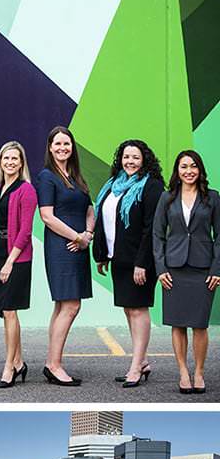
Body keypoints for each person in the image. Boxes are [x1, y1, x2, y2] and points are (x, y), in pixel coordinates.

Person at [93, 140, 165, 387]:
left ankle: (136, 366)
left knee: (138, 309)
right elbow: (104, 219)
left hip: (140, 262)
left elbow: (151, 228)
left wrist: (142, 263)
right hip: (119, 259)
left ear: (144, 159)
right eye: (126, 157)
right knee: (128, 309)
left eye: (135, 157)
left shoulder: (151, 186)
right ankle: (141, 361)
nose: (130, 162)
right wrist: (102, 254)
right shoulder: (113, 185)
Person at [153, 149, 219, 394]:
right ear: (177, 171)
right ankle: (183, 371)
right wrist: (160, 269)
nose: (189, 171)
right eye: (184, 166)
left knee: (199, 325)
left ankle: (199, 372)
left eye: (193, 166)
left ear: (199, 169)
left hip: (203, 269)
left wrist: (217, 268)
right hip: (174, 268)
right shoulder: (167, 198)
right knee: (178, 324)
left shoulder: (212, 197)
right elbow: (157, 235)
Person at [36, 126, 96, 385]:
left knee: (62, 305)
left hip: (79, 245)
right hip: (63, 247)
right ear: (50, 147)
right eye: (58, 144)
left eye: (67, 144)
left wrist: (88, 234)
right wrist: (76, 237)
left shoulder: (77, 177)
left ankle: (53, 362)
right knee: (71, 305)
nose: (63, 148)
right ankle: (54, 364)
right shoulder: (47, 177)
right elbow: (46, 216)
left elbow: (90, 209)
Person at [0, 141, 37, 387]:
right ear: (1, 162)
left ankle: (9, 367)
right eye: (6, 158)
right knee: (5, 311)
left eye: (14, 159)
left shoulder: (26, 190)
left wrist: (9, 262)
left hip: (16, 256)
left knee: (9, 310)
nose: (10, 162)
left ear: (21, 162)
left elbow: (26, 231)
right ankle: (19, 361)